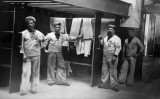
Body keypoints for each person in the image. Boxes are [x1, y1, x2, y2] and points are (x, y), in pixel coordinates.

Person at [43, 22, 82, 86]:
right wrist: (45, 50)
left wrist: (78, 37)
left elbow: (70, 38)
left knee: (62, 66)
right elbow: (44, 43)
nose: (58, 28)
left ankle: (61, 81)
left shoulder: (63, 35)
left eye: (59, 27)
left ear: (60, 28)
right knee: (51, 66)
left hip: (59, 52)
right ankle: (51, 81)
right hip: (51, 53)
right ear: (54, 28)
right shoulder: (49, 35)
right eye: (56, 27)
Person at [19, 16, 45, 96]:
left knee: (35, 73)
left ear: (34, 24)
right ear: (27, 24)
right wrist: (23, 55)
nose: (30, 24)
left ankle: (34, 89)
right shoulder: (23, 33)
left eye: (31, 23)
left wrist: (41, 46)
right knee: (25, 73)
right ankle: (23, 90)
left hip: (36, 56)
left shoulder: (39, 33)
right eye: (28, 23)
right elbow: (21, 46)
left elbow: (45, 40)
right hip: (27, 56)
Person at [98, 24, 121, 92]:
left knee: (113, 72)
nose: (109, 30)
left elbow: (118, 48)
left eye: (111, 29)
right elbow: (103, 44)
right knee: (104, 71)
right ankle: (104, 84)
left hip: (112, 56)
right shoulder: (106, 37)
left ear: (114, 30)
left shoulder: (117, 38)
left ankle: (114, 86)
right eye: (109, 29)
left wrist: (115, 56)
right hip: (105, 56)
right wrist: (100, 38)